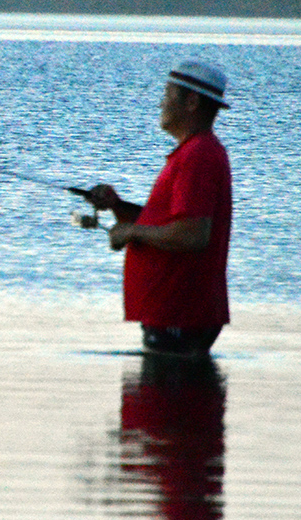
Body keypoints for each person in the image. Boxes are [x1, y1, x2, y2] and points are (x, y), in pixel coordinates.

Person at [89, 59, 232, 357]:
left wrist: (131, 231)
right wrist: (117, 207)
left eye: (167, 95)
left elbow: (193, 235)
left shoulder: (199, 156)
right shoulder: (193, 152)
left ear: (191, 101)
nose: (160, 103)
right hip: (173, 313)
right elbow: (168, 223)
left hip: (181, 313)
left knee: (167, 402)